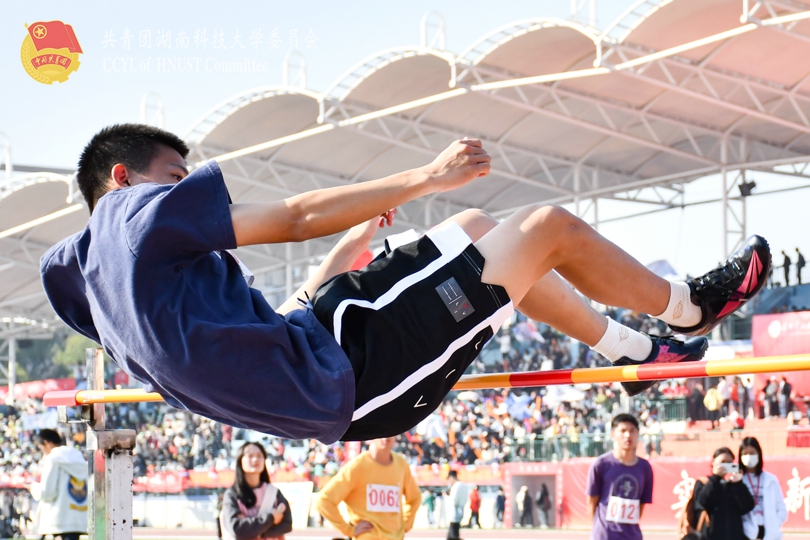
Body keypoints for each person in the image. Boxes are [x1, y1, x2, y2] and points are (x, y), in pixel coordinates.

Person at [41, 124, 771, 443]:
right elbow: (293, 216)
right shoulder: (134, 215)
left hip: (321, 339)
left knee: (484, 226)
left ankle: (629, 356)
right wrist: (428, 175)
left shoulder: (95, 284)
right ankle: (688, 312)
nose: (183, 191)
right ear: (123, 179)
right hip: (352, 377)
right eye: (173, 176)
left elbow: (271, 324)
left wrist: (350, 250)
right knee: (547, 225)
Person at [316, 437, 421, 540]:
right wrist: (349, 530)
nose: (386, 435)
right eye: (381, 431)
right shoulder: (358, 466)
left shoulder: (401, 464)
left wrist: (405, 525)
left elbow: (415, 498)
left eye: (391, 431)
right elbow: (324, 500)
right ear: (369, 437)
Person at [586, 414, 653, 540]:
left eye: (632, 430)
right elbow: (591, 502)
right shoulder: (601, 465)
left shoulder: (645, 468)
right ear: (613, 434)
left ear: (638, 434)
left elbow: (641, 504)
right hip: (604, 535)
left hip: (632, 536)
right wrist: (598, 529)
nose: (628, 435)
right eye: (623, 431)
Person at [220, 442, 292, 540]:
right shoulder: (232, 495)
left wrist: (254, 531)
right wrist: (271, 518)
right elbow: (237, 529)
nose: (255, 459)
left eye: (259, 456)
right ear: (240, 461)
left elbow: (287, 524)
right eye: (250, 456)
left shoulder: (274, 493)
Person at [28, 429, 87, 540]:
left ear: (46, 443)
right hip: (79, 516)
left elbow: (47, 493)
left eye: (41, 447)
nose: (43, 451)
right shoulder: (79, 457)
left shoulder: (52, 459)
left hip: (58, 518)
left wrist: (33, 488)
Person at [695, 447, 755, 540]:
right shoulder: (705, 482)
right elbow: (701, 503)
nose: (725, 466)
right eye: (722, 462)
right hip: (710, 536)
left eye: (729, 463)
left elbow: (748, 506)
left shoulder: (734, 485)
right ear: (713, 462)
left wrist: (737, 484)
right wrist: (715, 478)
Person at [739, 437, 787, 540]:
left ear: (759, 454)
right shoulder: (739, 480)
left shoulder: (771, 479)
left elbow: (781, 509)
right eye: (745, 454)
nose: (748, 457)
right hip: (746, 533)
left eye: (752, 453)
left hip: (768, 532)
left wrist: (774, 524)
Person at [446, 470, 469, 539]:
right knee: (454, 533)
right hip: (461, 510)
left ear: (452, 477)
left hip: (454, 511)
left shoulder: (456, 486)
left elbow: (453, 500)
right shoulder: (463, 485)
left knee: (453, 535)